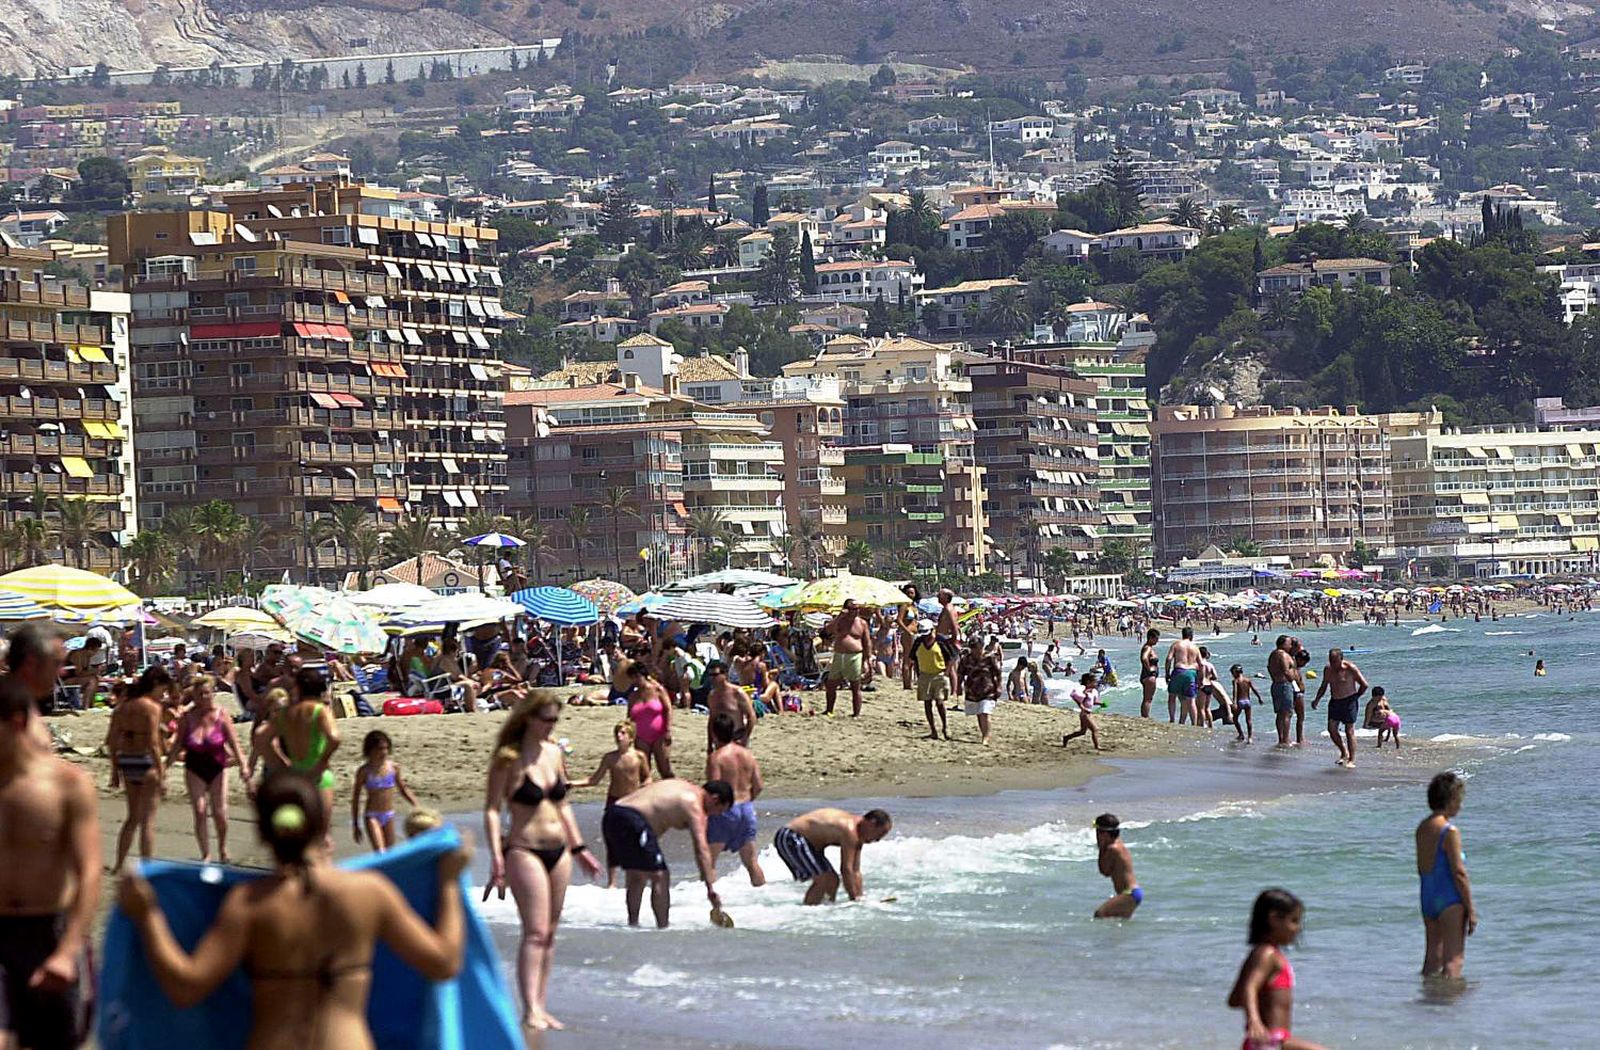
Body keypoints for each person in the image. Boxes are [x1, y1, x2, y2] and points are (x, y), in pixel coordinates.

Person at [118, 771, 470, 1049]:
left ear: (265, 833)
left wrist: (148, 915)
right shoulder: (368, 893)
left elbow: (186, 987)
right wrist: (449, 883)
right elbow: (443, 962)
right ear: (321, 825)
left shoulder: (250, 904)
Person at [483, 697, 602, 1030]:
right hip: (524, 849)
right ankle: (529, 1008)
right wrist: (496, 856)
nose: (551, 725)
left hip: (560, 851)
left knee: (549, 933)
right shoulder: (508, 760)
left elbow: (563, 806)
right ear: (528, 718)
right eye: (546, 719)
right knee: (534, 932)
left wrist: (580, 849)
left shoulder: (553, 753)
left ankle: (542, 1004)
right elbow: (492, 810)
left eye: (554, 720)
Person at [0, 678, 100, 1050]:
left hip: (47, 932)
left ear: (16, 723)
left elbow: (89, 872)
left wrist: (68, 951)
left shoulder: (67, 785)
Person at [599, 778, 731, 928]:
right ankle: (662, 928)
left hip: (612, 814)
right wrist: (710, 888)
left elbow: (655, 815)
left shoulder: (681, 785)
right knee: (660, 876)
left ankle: (633, 925)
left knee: (637, 874)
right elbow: (701, 848)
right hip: (632, 818)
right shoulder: (695, 805)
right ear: (714, 799)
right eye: (719, 810)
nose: (714, 815)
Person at [1228, 889, 1325, 1050]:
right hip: (1269, 1042)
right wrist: (1255, 1021)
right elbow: (1250, 987)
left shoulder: (1259, 954)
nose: (1298, 928)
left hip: (1266, 1043)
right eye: (1294, 921)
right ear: (1274, 919)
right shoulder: (1267, 954)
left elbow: (1234, 1000)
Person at [168, 675, 250, 864]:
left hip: (218, 767)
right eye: (200, 694)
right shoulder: (187, 717)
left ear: (213, 693)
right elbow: (176, 747)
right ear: (194, 696)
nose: (205, 697)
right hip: (194, 767)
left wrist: (243, 765)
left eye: (207, 693)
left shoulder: (221, 714)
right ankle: (206, 853)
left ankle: (222, 847)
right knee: (200, 810)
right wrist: (164, 769)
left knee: (220, 813)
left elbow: (234, 743)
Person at [261, 668, 341, 848]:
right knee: (322, 835)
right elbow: (334, 738)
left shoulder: (286, 713)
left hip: (296, 776)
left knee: (299, 835)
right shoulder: (320, 711)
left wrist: (281, 763)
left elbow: (262, 739)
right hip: (318, 776)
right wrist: (323, 762)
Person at [574, 720, 653, 888]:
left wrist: (646, 785)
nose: (619, 736)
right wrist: (571, 783)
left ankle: (639, 878)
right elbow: (594, 780)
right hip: (614, 802)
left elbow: (647, 776)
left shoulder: (639, 756)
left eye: (623, 733)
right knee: (613, 841)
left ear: (631, 737)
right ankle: (612, 882)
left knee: (637, 840)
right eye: (617, 733)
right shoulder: (610, 758)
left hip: (634, 802)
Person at [108, 665, 170, 874]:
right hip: (146, 760)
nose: (164, 693)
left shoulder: (123, 707)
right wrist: (162, 774)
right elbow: (153, 743)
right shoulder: (152, 707)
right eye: (163, 688)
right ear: (155, 684)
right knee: (148, 819)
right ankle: (146, 867)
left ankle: (118, 864)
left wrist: (114, 771)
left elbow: (111, 741)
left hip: (127, 759)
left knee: (132, 817)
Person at [1416, 772, 1475, 979]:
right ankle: (1448, 1007)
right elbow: (1458, 872)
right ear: (1451, 800)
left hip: (1428, 897)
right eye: (1459, 800)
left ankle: (1429, 1002)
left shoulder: (1422, 828)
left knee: (1432, 959)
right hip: (1449, 899)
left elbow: (1421, 867)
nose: (1460, 805)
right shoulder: (1449, 831)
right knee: (1454, 960)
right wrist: (1471, 908)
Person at [773, 807, 892, 905]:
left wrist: (860, 898)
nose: (877, 840)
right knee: (825, 879)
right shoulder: (850, 831)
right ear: (871, 824)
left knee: (832, 881)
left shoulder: (859, 835)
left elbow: (855, 870)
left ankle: (826, 910)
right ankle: (807, 912)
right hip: (791, 837)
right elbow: (846, 869)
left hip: (809, 844)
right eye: (880, 834)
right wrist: (854, 899)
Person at [704, 713, 766, 887]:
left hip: (725, 810)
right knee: (751, 862)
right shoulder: (747, 755)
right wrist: (747, 801)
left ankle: (712, 905)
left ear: (714, 734)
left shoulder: (717, 758)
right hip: (746, 809)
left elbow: (714, 789)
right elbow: (759, 785)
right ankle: (765, 901)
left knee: (710, 862)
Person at [351, 730, 418, 854]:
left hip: (389, 815)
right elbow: (356, 798)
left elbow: (403, 789)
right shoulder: (364, 771)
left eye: (386, 748)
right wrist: (355, 825)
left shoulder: (394, 768)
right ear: (370, 750)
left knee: (390, 853)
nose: (384, 752)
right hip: (372, 816)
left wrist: (417, 806)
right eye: (380, 749)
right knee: (380, 853)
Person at [1311, 648, 1369, 768]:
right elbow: (1324, 686)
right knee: (1331, 729)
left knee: (1349, 730)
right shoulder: (1328, 669)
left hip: (1349, 700)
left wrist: (1356, 697)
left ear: (1341, 659)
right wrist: (1317, 700)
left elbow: (1364, 684)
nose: (1333, 664)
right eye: (1331, 661)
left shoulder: (1350, 668)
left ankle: (1352, 759)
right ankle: (1343, 752)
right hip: (1335, 701)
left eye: (1335, 661)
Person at [2, 622, 69, 717]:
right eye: (56, 663)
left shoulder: (20, 705)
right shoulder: (8, 714)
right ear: (31, 664)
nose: (63, 672)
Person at [823, 599, 873, 717]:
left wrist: (868, 660)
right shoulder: (840, 621)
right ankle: (829, 710)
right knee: (831, 684)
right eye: (852, 609)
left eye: (857, 609)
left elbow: (867, 642)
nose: (854, 611)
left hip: (855, 655)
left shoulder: (861, 623)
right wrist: (840, 616)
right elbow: (828, 630)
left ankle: (856, 713)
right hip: (839, 655)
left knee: (855, 686)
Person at [625, 661, 674, 779]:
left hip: (659, 735)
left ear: (644, 675)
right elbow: (629, 717)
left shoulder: (658, 690)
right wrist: (628, 735)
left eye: (637, 677)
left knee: (665, 769)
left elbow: (668, 709)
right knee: (644, 772)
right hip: (640, 737)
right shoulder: (633, 696)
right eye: (632, 678)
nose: (635, 680)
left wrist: (667, 730)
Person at [906, 620, 951, 740]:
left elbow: (950, 658)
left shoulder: (941, 641)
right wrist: (913, 674)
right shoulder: (919, 642)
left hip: (939, 674)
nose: (926, 637)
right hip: (924, 675)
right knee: (927, 703)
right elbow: (912, 658)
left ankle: (945, 727)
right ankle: (933, 730)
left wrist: (946, 673)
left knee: (940, 702)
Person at [1090, 814, 1141, 918]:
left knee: (1100, 914)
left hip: (1129, 893)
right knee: (1120, 922)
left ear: (1104, 834)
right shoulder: (1118, 844)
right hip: (1133, 893)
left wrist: (1101, 848)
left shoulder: (1112, 849)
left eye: (1098, 833)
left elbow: (1104, 871)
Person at [955, 635, 1001, 746]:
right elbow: (960, 674)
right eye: (973, 647)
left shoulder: (990, 657)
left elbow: (997, 673)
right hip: (972, 690)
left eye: (977, 647)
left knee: (985, 712)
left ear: (982, 646)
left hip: (988, 689)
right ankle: (984, 734)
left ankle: (986, 737)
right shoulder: (966, 659)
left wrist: (999, 687)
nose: (975, 650)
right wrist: (958, 687)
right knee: (979, 714)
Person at [703, 660, 755, 750]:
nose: (712, 678)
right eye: (710, 675)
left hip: (736, 736)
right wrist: (709, 744)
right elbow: (711, 720)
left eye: (715, 675)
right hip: (719, 737)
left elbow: (751, 716)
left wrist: (744, 738)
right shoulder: (712, 695)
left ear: (725, 674)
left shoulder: (738, 693)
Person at [1164, 627, 1201, 724]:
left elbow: (1168, 659)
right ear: (1191, 635)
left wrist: (1167, 673)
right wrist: (1200, 678)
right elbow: (1201, 664)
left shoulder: (1176, 645)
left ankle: (1172, 719)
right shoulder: (1195, 647)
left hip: (1179, 670)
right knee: (1191, 700)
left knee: (1172, 696)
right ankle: (1194, 723)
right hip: (1191, 672)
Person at [1267, 637, 1298, 747]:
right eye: (1289, 644)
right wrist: (1294, 681)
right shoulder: (1283, 655)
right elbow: (1285, 670)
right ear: (1283, 644)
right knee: (1287, 713)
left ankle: (1281, 738)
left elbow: (1269, 668)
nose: (1290, 646)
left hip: (1276, 684)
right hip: (1284, 685)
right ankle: (1285, 739)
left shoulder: (1273, 654)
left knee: (1280, 713)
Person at [1062, 673, 1104, 751]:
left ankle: (1066, 738)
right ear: (1088, 682)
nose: (1096, 683)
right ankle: (1097, 747)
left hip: (1088, 713)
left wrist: (1101, 704)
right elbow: (1078, 701)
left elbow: (1093, 702)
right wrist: (1082, 707)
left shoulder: (1093, 692)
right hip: (1085, 714)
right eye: (1094, 682)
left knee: (1082, 732)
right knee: (1095, 729)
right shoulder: (1084, 692)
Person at [61, 636, 104, 709]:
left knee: (95, 679)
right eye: (96, 650)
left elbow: (86, 672)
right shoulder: (77, 654)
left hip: (74, 679)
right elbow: (79, 673)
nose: (96, 653)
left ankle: (90, 705)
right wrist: (95, 671)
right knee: (92, 680)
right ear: (90, 648)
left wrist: (95, 672)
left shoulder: (87, 656)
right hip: (64, 680)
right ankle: (86, 706)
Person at [897, 584, 921, 691]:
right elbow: (899, 620)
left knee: (915, 659)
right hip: (908, 634)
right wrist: (907, 631)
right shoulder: (904, 606)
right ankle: (907, 683)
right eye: (908, 593)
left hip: (915, 633)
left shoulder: (914, 606)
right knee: (908, 658)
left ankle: (912, 682)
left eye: (912, 592)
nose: (910, 595)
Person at [1232, 664, 1260, 744]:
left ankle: (1241, 734)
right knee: (1249, 720)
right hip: (1247, 701)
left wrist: (1234, 702)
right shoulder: (1247, 680)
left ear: (1235, 672)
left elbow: (1235, 691)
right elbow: (1254, 689)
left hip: (1240, 702)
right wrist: (1259, 698)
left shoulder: (1236, 681)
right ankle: (1250, 737)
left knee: (1235, 719)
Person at [1138, 628, 1161, 718]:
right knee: (1148, 699)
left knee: (1147, 698)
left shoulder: (1148, 647)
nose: (1157, 641)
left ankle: (1145, 716)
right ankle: (1145, 717)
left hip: (1147, 675)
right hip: (1149, 676)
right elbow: (1144, 658)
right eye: (1156, 639)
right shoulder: (1148, 648)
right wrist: (1149, 670)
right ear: (1151, 638)